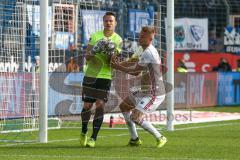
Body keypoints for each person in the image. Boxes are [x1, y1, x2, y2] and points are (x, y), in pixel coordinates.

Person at [111, 26, 167, 148]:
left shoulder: (148, 52)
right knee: (124, 106)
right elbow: (132, 61)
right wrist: (116, 64)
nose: (139, 38)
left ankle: (160, 137)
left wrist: (117, 67)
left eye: (142, 36)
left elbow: (135, 72)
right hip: (144, 90)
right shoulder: (143, 49)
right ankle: (134, 139)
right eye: (140, 35)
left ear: (150, 38)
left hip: (154, 92)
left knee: (135, 117)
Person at [80, 11, 122, 148]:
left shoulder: (118, 40)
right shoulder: (95, 36)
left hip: (105, 76)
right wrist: (95, 50)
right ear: (103, 22)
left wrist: (110, 54)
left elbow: (113, 63)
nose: (108, 23)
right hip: (91, 75)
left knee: (100, 105)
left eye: (111, 21)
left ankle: (93, 138)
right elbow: (87, 57)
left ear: (115, 23)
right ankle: (84, 131)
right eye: (106, 21)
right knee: (87, 106)